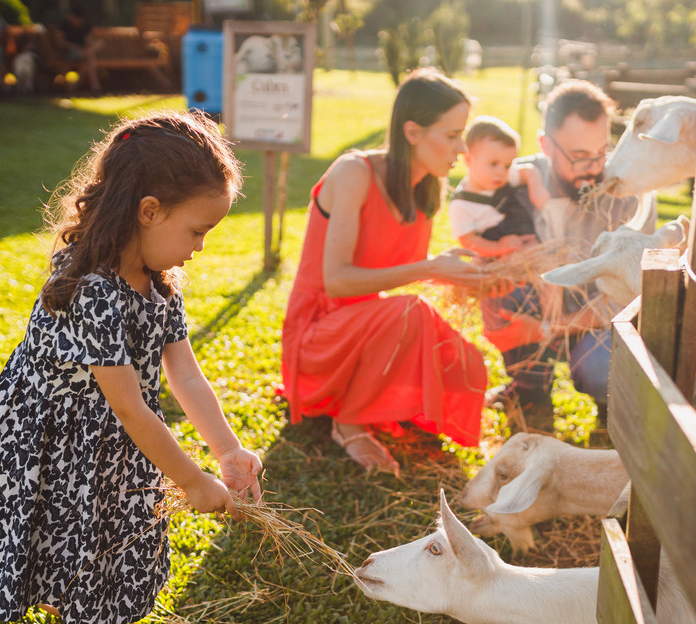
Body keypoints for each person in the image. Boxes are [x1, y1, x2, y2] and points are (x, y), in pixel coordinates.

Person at [0, 111, 262, 624]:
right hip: (59, 437)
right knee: (95, 542)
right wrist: (191, 480)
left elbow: (185, 373)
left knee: (92, 539)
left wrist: (228, 451)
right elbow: (133, 409)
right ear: (149, 210)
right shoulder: (94, 290)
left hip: (107, 435)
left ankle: (80, 615)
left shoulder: (158, 281)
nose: (200, 247)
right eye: (197, 230)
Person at [281, 69, 493, 473]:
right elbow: (337, 280)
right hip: (317, 336)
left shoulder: (426, 187)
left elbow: (398, 270)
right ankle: (348, 423)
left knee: (470, 367)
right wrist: (429, 267)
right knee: (412, 311)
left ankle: (371, 401)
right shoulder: (354, 172)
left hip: (365, 332)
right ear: (412, 132)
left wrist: (450, 269)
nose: (462, 147)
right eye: (452, 135)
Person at [481, 80, 656, 433]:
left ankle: (612, 402)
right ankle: (528, 387)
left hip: (603, 320)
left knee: (599, 370)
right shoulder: (513, 181)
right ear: (545, 145)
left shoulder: (630, 196)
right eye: (579, 156)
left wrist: (550, 328)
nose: (593, 168)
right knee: (497, 286)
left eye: (601, 152)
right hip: (537, 301)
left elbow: (632, 296)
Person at [447, 116, 544, 258]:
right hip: (495, 256)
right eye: (493, 164)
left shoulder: (504, 177)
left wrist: (537, 190)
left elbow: (529, 171)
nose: (501, 172)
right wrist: (498, 247)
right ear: (468, 160)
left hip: (526, 242)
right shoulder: (461, 204)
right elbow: (467, 240)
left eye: (507, 165)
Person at [57, 5, 103, 94]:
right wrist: (72, 45)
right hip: (69, 53)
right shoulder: (65, 24)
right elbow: (59, 41)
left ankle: (95, 87)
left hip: (83, 53)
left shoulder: (86, 24)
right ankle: (96, 86)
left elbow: (92, 39)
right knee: (90, 56)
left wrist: (89, 42)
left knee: (93, 51)